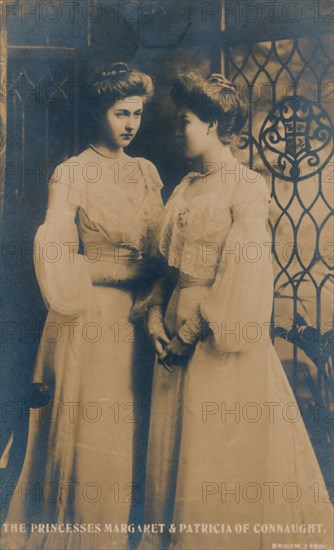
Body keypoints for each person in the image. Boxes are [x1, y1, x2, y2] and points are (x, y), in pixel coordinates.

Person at [139, 73, 334, 550]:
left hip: (217, 337)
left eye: (184, 121)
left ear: (212, 124)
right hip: (172, 328)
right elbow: (170, 268)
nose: (176, 130)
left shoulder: (246, 186)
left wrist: (189, 334)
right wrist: (152, 317)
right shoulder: (185, 186)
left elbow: (243, 275)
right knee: (176, 450)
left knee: (216, 454)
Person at [2, 62, 164, 550]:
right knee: (96, 429)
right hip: (89, 319)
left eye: (137, 113)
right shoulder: (70, 173)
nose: (130, 124)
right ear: (98, 111)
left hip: (140, 318)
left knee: (137, 422)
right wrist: (123, 272)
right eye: (120, 113)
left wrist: (154, 284)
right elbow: (55, 254)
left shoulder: (147, 171)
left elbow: (160, 248)